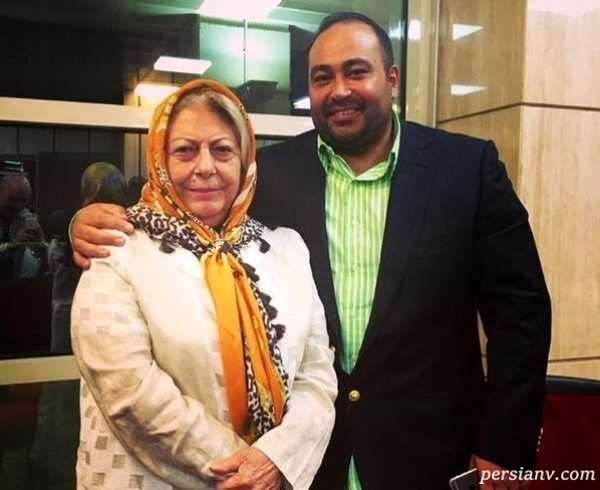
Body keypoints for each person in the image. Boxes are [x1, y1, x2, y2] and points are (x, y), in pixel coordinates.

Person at [71, 12, 552, 490]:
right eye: (322, 77)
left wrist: (505, 442)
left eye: (356, 71)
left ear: (392, 79)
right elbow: (186, 214)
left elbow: (521, 313)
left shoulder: (466, 169)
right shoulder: (271, 172)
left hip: (428, 453)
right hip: (311, 464)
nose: (339, 90)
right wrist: (83, 222)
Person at [70, 79, 337, 490]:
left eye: (222, 150)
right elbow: (130, 392)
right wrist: (245, 471)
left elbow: (316, 372)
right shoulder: (117, 250)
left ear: (245, 160)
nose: (206, 167)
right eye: (185, 150)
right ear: (160, 159)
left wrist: (278, 458)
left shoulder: (287, 250)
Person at [0, 173, 46, 279]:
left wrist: (40, 246)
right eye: (12, 199)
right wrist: (13, 245)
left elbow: (46, 262)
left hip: (17, 283)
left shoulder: (26, 217)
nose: (18, 206)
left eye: (23, 200)